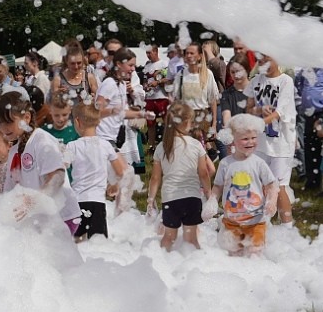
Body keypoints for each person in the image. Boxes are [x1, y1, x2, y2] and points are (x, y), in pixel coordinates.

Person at [0, 92, 81, 233]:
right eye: (0, 123)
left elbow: (57, 176)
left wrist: (36, 199)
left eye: (9, 122)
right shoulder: (14, 150)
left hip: (61, 216)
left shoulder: (42, 141)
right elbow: (10, 190)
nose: (4, 128)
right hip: (39, 219)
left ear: (26, 118)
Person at [148, 102, 213, 251]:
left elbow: (155, 178)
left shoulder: (162, 147)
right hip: (192, 198)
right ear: (185, 123)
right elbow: (203, 173)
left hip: (170, 198)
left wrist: (150, 200)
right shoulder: (196, 145)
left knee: (168, 238)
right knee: (191, 239)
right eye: (191, 121)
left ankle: (162, 265)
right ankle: (195, 267)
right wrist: (209, 195)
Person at [210, 114, 277, 257]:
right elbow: (217, 186)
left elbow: (272, 185)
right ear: (233, 140)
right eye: (245, 139)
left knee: (255, 255)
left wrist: (272, 202)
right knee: (234, 256)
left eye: (253, 138)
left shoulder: (259, 163)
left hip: (256, 221)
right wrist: (211, 201)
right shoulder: (226, 164)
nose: (250, 142)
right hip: (231, 221)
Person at [247, 53, 296, 224]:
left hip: (281, 143)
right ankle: (262, 222)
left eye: (266, 60)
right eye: (260, 61)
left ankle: (287, 226)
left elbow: (279, 112)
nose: (263, 64)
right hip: (261, 143)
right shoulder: (256, 80)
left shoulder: (285, 81)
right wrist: (259, 111)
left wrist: (259, 123)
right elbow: (248, 108)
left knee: (278, 187)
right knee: (261, 184)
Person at [65, 103, 126, 240]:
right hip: (98, 202)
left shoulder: (72, 146)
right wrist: (113, 185)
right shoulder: (106, 145)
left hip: (77, 201)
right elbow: (120, 171)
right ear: (98, 122)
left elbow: (61, 168)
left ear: (77, 122)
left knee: (74, 241)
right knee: (98, 244)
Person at [95, 48, 147, 169]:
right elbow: (96, 111)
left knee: (122, 177)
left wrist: (142, 114)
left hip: (116, 137)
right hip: (104, 138)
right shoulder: (109, 84)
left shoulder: (122, 84)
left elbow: (123, 112)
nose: (134, 69)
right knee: (121, 175)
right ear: (118, 64)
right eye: (130, 65)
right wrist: (112, 111)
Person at [294, 66, 323, 192]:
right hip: (308, 114)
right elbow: (298, 86)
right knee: (310, 147)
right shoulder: (305, 70)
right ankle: (312, 181)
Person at [51, 41, 98, 107]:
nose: (76, 67)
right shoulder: (58, 80)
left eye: (79, 63)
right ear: (67, 62)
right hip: (66, 116)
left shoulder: (89, 77)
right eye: (72, 63)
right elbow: (53, 105)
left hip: (84, 116)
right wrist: (59, 96)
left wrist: (92, 99)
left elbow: (99, 102)